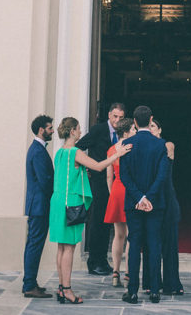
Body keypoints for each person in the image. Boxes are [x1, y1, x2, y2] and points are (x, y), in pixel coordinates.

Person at [49, 115, 132, 304]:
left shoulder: (60, 153)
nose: (80, 131)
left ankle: (61, 287)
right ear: (72, 131)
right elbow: (98, 166)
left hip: (57, 201)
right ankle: (68, 290)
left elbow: (66, 176)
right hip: (70, 204)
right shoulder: (75, 152)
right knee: (69, 247)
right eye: (78, 128)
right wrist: (117, 155)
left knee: (61, 247)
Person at [119, 104, 170, 304]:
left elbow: (124, 175)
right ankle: (155, 291)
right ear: (151, 121)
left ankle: (132, 291)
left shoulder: (128, 144)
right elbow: (162, 175)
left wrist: (139, 197)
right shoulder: (160, 145)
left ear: (134, 122)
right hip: (155, 203)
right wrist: (149, 197)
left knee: (134, 245)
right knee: (154, 244)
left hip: (134, 203)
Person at [77, 101, 126, 275]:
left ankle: (103, 260)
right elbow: (79, 147)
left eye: (120, 117)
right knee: (97, 221)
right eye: (115, 116)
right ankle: (94, 262)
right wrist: (87, 169)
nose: (117, 120)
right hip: (98, 182)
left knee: (108, 223)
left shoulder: (122, 133)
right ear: (109, 115)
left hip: (115, 183)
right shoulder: (99, 130)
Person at [150, 118, 183, 296]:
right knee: (151, 244)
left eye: (153, 127)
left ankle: (172, 282)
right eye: (148, 127)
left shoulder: (167, 145)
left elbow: (167, 151)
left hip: (167, 198)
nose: (151, 130)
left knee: (170, 243)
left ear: (160, 130)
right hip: (151, 199)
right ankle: (151, 281)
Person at [23, 114, 55, 298]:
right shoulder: (37, 151)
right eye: (50, 128)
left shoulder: (37, 149)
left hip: (37, 205)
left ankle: (30, 282)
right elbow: (45, 180)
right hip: (39, 206)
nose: (52, 131)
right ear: (41, 130)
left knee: (33, 245)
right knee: (34, 245)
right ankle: (29, 285)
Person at [104, 116, 135, 287]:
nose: (135, 132)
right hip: (130, 191)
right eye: (133, 129)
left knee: (118, 235)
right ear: (126, 132)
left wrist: (112, 194)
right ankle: (128, 273)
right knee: (132, 235)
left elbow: (109, 176)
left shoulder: (111, 149)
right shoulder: (131, 147)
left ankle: (115, 272)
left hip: (116, 189)